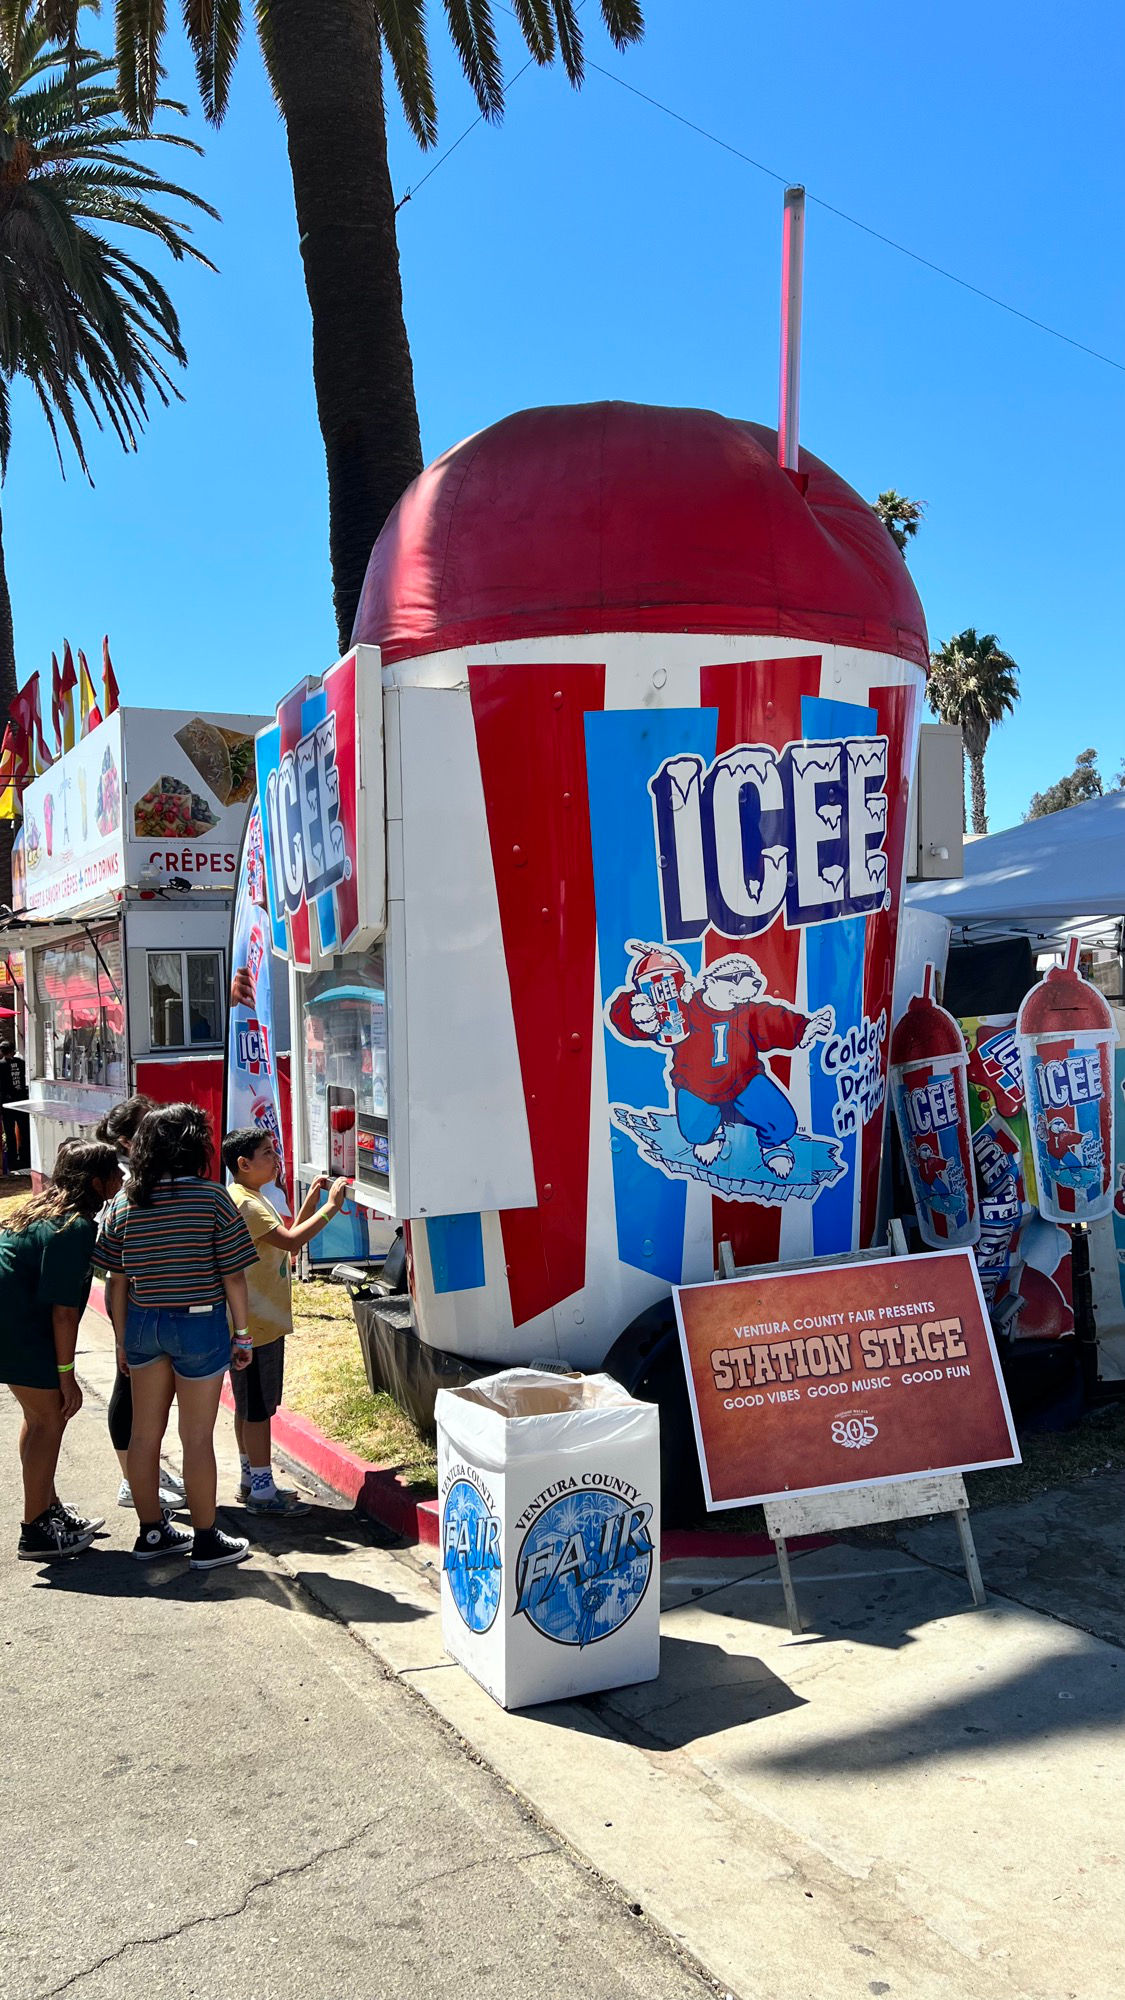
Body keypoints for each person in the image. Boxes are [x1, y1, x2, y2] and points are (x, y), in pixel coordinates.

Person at [96, 1103, 258, 1570]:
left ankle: (152, 1533)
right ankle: (206, 1540)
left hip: (145, 1322)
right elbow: (234, 1276)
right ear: (195, 1146)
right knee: (197, 1436)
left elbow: (115, 1277)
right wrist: (242, 1335)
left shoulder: (127, 1201)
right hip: (199, 1322)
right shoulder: (212, 1199)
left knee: (145, 1433)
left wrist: (122, 1339)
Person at [0, 1140, 121, 1561]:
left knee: (38, 1420)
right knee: (51, 1417)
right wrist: (67, 1375)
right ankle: (34, 1531)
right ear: (95, 1182)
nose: (122, 1179)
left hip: (13, 1323)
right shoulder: (75, 1226)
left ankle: (46, 1510)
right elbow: (65, 1313)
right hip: (18, 1329)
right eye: (114, 1174)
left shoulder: (41, 1209)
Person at [221, 1127, 347, 1513]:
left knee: (248, 1406)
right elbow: (292, 1243)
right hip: (258, 1325)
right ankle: (262, 1490)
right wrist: (331, 1207)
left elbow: (287, 1235)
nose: (276, 1159)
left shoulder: (247, 1196)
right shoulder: (250, 1204)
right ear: (244, 1164)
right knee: (258, 1409)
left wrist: (310, 1200)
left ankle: (250, 1478)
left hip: (253, 1323)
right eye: (267, 1153)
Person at [95, 1095, 186, 1514]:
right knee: (127, 1390)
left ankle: (143, 1472)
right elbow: (115, 1269)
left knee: (147, 1398)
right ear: (130, 1141)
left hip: (153, 1305)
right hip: (133, 1302)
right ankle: (133, 1478)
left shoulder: (156, 1174)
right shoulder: (125, 1182)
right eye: (151, 1126)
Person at [0, 1039, 30, 1173]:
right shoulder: (22, 1063)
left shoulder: (0, 1065)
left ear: (2, 1051)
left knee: (10, 1133)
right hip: (22, 1102)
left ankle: (12, 1162)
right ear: (13, 1050)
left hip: (7, 1104)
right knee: (24, 1131)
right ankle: (26, 1159)